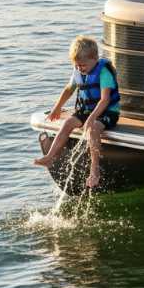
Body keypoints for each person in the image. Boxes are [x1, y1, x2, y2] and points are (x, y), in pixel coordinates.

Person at [33, 35, 120, 189]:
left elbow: (105, 100)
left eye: (83, 65)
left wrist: (92, 118)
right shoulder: (78, 71)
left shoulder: (104, 72)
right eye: (77, 65)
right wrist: (57, 107)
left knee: (92, 129)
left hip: (106, 112)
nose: (80, 68)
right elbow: (69, 89)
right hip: (86, 109)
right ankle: (50, 157)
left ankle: (95, 169)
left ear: (94, 58)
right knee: (67, 123)